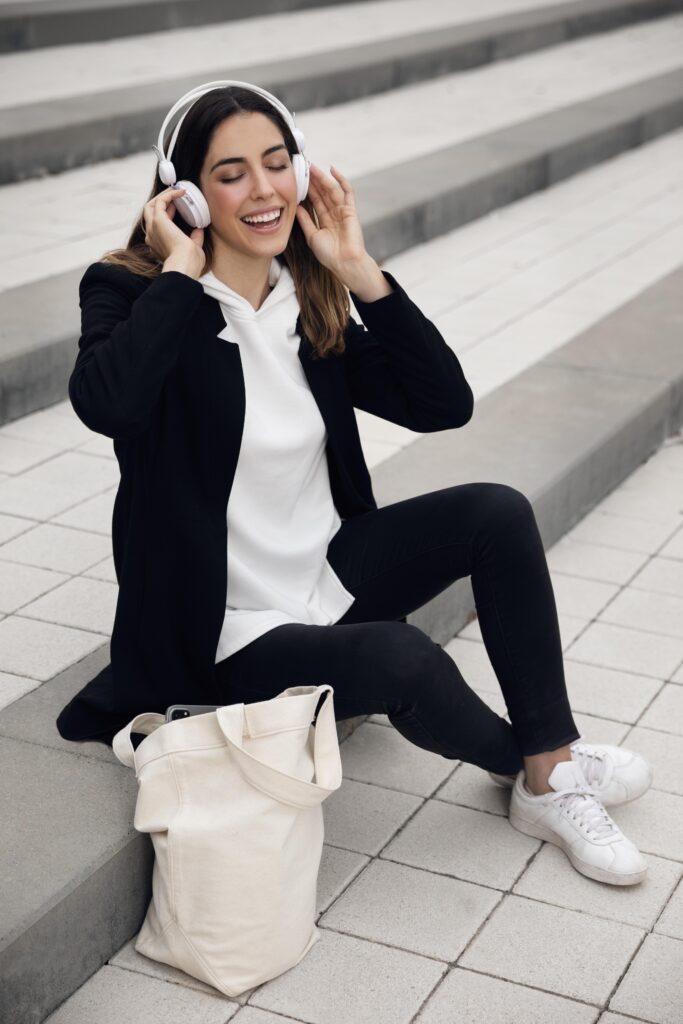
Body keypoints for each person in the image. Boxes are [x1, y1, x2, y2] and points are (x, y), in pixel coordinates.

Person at [56, 80, 652, 887]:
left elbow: (442, 404)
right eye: (230, 173)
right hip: (224, 632)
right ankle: (543, 768)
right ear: (185, 194)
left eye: (276, 164)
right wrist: (181, 273)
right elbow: (107, 404)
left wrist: (359, 269)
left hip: (325, 574)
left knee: (496, 513)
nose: (263, 190)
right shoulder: (131, 291)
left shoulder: (304, 296)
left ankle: (547, 770)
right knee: (404, 661)